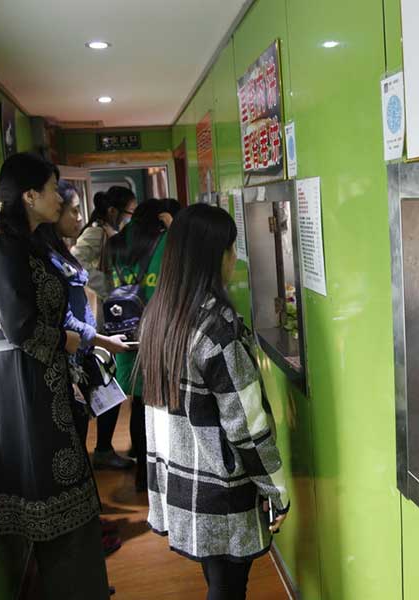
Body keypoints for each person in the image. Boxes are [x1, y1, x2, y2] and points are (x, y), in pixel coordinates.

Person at [139, 204, 290, 600]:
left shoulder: (160, 315)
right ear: (213, 255)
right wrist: (276, 491)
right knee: (227, 588)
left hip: (182, 477)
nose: (235, 257)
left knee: (218, 579)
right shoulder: (217, 329)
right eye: (231, 247)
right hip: (220, 488)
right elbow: (248, 426)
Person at [0, 153, 109, 600]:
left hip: (45, 375)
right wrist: (68, 344)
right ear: (30, 196)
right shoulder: (1, 250)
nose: (60, 197)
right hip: (25, 385)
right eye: (54, 188)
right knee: (51, 487)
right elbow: (21, 327)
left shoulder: (30, 243)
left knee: (70, 484)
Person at [36, 180, 132, 555]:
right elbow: (64, 319)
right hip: (72, 353)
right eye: (71, 209)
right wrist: (102, 336)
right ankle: (84, 533)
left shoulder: (58, 250)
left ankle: (89, 522)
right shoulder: (52, 254)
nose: (77, 215)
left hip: (82, 347)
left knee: (83, 432)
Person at [106, 199, 171, 491]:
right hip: (160, 332)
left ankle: (143, 476)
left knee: (139, 404)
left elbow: (104, 285)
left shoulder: (116, 243)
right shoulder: (165, 240)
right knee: (162, 406)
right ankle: (163, 476)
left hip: (126, 332)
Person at [72, 186, 138, 470]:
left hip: (111, 314)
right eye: (129, 213)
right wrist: (109, 286)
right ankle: (102, 449)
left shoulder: (107, 232)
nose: (130, 219)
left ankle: (104, 447)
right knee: (108, 383)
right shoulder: (96, 232)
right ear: (114, 211)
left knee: (110, 383)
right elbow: (76, 261)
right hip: (102, 318)